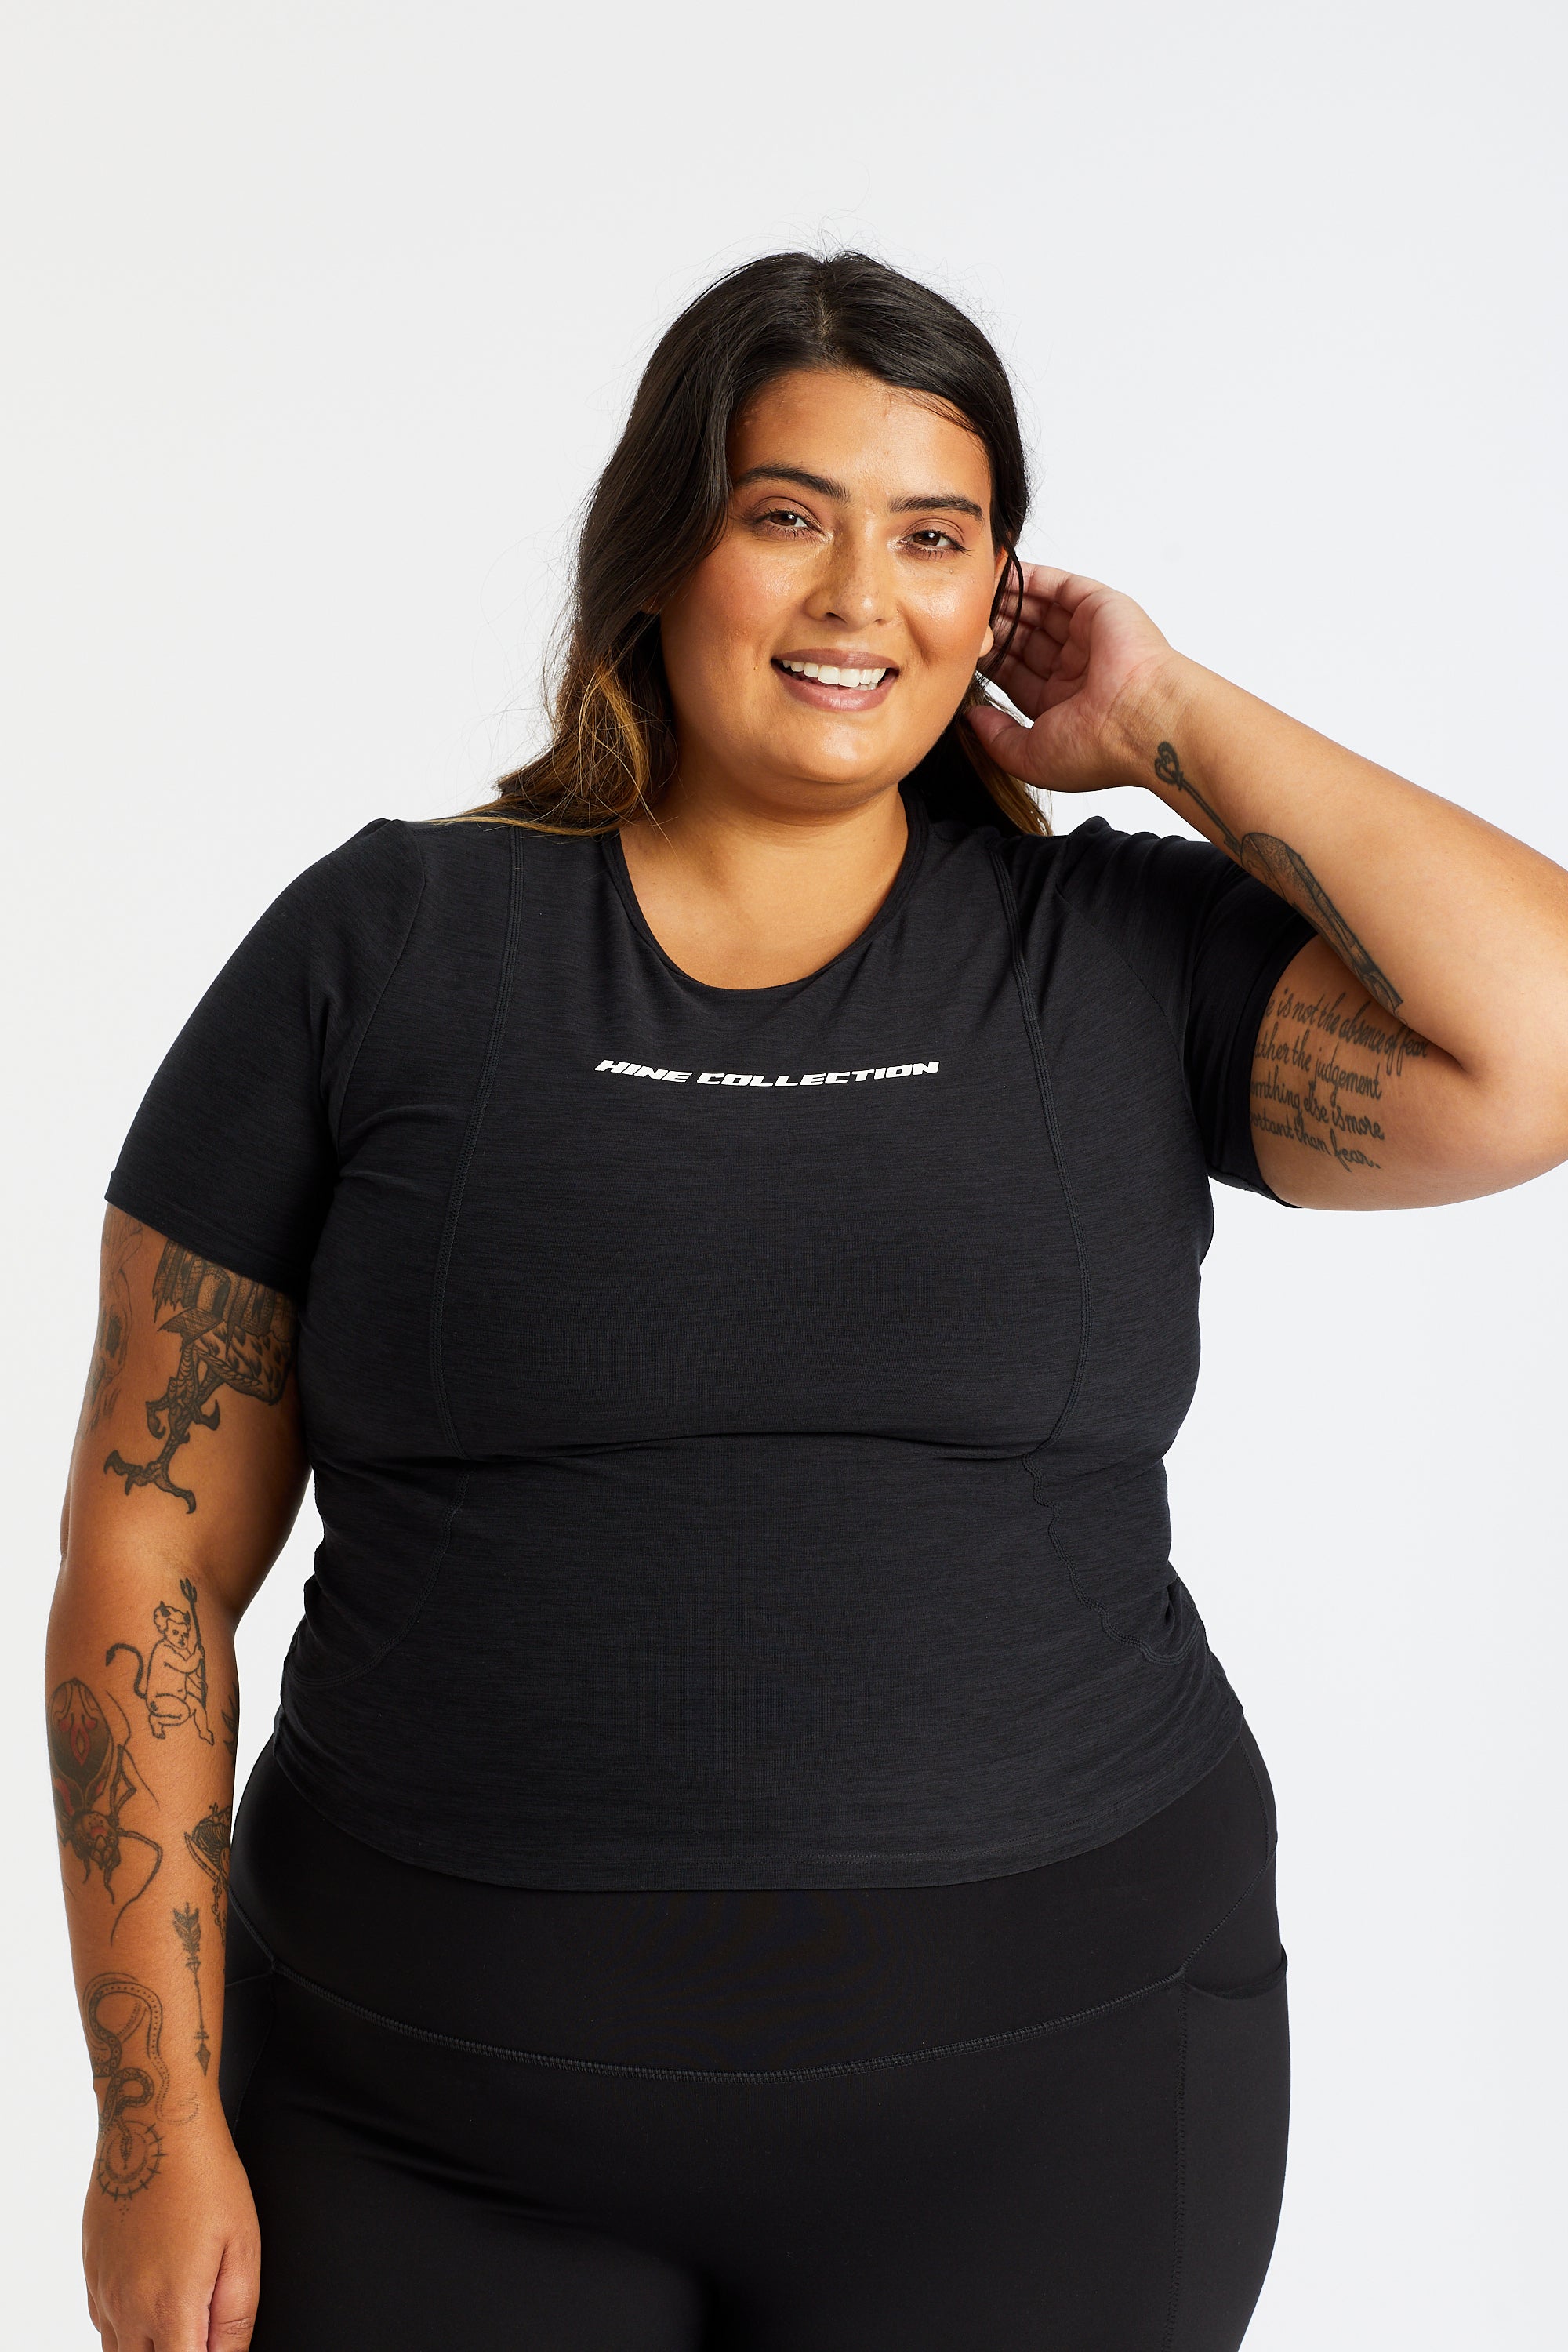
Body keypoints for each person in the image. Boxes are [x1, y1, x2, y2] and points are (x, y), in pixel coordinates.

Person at [47, 249, 1568, 2352]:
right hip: (423, 2122)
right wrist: (149, 2127)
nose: (862, 598)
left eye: (936, 539)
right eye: (789, 516)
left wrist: (1170, 722)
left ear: (1001, 593)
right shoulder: (384, 947)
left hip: (1054, 2108)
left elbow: (1533, 1049)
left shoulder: (1113, 958)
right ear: (663, 549)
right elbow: (146, 1544)